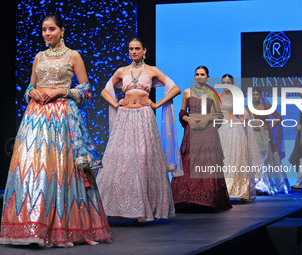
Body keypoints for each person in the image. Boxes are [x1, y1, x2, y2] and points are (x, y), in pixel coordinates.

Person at [0, 14, 111, 247]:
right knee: (30, 166)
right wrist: (32, 92)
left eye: (51, 29)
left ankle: (60, 227)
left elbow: (87, 89)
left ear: (62, 30)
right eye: (43, 30)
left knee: (58, 167)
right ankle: (29, 225)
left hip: (61, 117)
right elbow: (31, 84)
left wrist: (61, 92)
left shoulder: (73, 55)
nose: (46, 34)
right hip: (35, 116)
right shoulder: (38, 57)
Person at [96, 38, 183, 223]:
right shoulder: (122, 71)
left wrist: (156, 104)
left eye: (137, 49)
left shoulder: (152, 70)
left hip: (144, 116)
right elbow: (105, 90)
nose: (133, 51)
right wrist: (115, 103)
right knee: (122, 159)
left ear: (144, 50)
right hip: (125, 116)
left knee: (144, 159)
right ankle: (118, 208)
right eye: (131, 49)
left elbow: (175, 88)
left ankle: (144, 210)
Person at [171, 66, 232, 212]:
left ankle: (207, 200)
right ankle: (184, 200)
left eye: (202, 74)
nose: (199, 77)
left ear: (207, 77)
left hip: (208, 132)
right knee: (188, 161)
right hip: (191, 131)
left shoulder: (212, 93)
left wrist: (207, 118)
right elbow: (181, 113)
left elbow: (219, 115)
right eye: (197, 74)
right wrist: (188, 119)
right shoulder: (187, 92)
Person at [217, 74, 262, 201]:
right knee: (222, 160)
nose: (225, 85)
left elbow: (244, 115)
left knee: (235, 159)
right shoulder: (217, 97)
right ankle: (222, 191)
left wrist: (240, 123)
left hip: (234, 130)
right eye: (223, 82)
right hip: (220, 130)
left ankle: (239, 190)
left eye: (228, 83)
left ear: (232, 84)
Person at [248, 88, 290, 194]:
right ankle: (260, 185)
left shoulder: (266, 107)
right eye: (253, 95)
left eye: (257, 94)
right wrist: (252, 125)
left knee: (269, 159)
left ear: (260, 95)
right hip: (254, 136)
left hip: (265, 135)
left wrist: (270, 126)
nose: (255, 97)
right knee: (257, 159)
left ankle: (275, 185)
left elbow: (279, 117)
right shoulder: (248, 108)